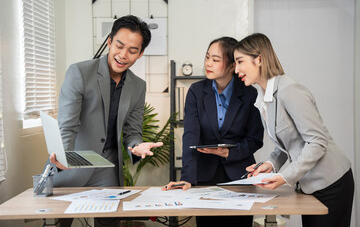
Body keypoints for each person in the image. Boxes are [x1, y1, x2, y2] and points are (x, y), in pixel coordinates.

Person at [48, 15, 162, 227]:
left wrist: (136, 147)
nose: (123, 55)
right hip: (74, 162)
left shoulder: (138, 86)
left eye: (132, 50)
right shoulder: (79, 72)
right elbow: (67, 125)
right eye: (119, 45)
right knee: (62, 223)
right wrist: (63, 156)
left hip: (108, 167)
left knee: (109, 223)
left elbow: (133, 131)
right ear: (109, 41)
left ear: (141, 53)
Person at [234, 33, 354, 227]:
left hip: (331, 183)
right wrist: (271, 165)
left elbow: (317, 142)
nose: (237, 69)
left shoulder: (289, 90)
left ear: (260, 59)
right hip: (309, 185)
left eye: (240, 61)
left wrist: (284, 177)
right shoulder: (263, 96)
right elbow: (285, 144)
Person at [162, 37, 264, 227]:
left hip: (240, 176)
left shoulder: (249, 93)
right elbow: (190, 136)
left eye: (215, 60)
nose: (208, 63)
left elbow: (255, 139)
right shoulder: (196, 91)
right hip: (205, 175)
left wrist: (229, 152)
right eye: (207, 57)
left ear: (232, 65)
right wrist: (187, 178)